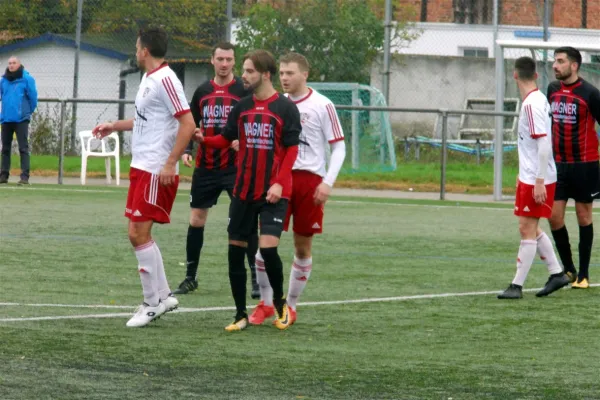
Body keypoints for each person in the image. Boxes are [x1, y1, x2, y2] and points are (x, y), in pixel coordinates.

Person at [92, 27, 196, 327]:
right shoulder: (150, 79)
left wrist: (170, 163)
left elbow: (187, 123)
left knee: (137, 234)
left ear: (145, 50)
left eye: (137, 47)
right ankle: (162, 296)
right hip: (143, 166)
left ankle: (152, 303)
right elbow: (146, 119)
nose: (135, 52)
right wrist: (114, 125)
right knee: (139, 234)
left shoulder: (166, 79)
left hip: (155, 169)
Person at [197, 49, 301, 331]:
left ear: (265, 74)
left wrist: (279, 182)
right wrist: (203, 139)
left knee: (268, 250)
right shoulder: (241, 107)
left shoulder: (285, 108)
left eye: (250, 71)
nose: (244, 75)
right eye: (244, 70)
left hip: (273, 193)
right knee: (234, 251)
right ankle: (239, 314)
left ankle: (280, 307)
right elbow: (224, 139)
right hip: (242, 191)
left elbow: (292, 150)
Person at [248, 52, 346, 326]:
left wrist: (327, 182)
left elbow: (338, 146)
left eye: (290, 73)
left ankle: (290, 306)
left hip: (309, 182)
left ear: (305, 74)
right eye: (281, 72)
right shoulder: (275, 104)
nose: (285, 78)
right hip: (278, 180)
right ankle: (266, 304)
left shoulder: (322, 105)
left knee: (302, 247)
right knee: (264, 244)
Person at [174, 42, 260, 299]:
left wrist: (242, 141)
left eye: (229, 59)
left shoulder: (243, 90)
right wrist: (188, 148)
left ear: (234, 62)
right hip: (207, 167)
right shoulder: (202, 91)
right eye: (220, 59)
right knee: (196, 219)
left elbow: (255, 119)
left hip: (236, 167)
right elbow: (192, 122)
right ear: (212, 60)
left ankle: (256, 278)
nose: (224, 64)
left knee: (246, 221)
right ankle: (191, 277)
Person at [498, 56, 570, 299]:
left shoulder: (531, 104)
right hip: (532, 175)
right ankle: (557, 272)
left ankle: (516, 286)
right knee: (532, 226)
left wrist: (538, 180)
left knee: (525, 228)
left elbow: (543, 143)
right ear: (536, 76)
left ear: (515, 75)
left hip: (536, 177)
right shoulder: (537, 99)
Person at [547, 47, 600, 289]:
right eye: (555, 61)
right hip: (558, 165)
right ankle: (568, 269)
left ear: (574, 65)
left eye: (560, 61)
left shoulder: (590, 93)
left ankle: (584, 274)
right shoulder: (552, 90)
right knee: (554, 216)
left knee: (583, 216)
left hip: (585, 165)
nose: (555, 65)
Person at [0, 56, 38, 185]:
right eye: (9, 63)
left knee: (23, 148)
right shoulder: (3, 80)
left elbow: (33, 98)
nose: (11, 65)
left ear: (19, 64)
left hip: (21, 119)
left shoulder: (27, 79)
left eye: (14, 63)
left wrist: (26, 112)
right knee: (5, 148)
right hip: (6, 119)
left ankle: (24, 176)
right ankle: (3, 175)